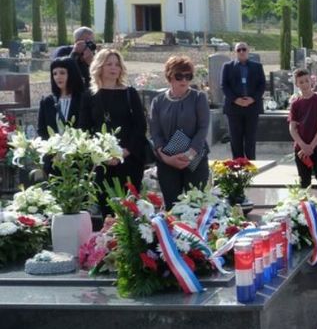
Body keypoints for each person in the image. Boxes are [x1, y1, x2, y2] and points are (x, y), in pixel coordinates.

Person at [79, 49, 147, 215]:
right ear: (99, 67)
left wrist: (124, 151)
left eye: (117, 64)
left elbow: (140, 126)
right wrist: (101, 154)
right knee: (107, 212)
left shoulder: (130, 93)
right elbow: (84, 129)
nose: (113, 68)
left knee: (130, 211)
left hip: (129, 160)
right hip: (102, 162)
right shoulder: (89, 96)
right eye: (109, 64)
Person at [149, 56, 210, 209]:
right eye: (179, 76)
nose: (184, 80)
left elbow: (203, 128)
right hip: (167, 160)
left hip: (195, 159)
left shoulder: (199, 97)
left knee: (196, 206)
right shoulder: (158, 101)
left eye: (188, 76)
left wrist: (190, 154)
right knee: (172, 208)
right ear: (169, 76)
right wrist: (166, 158)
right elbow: (155, 132)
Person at [221, 42, 266, 160]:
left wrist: (252, 99)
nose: (241, 52)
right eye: (238, 50)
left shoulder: (257, 67)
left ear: (248, 50)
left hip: (252, 107)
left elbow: (262, 85)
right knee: (235, 139)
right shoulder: (228, 66)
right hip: (234, 108)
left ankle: (251, 164)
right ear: (235, 52)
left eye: (244, 49)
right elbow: (224, 86)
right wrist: (236, 99)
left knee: (250, 139)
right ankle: (238, 164)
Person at [288, 68, 317, 189]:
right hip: (301, 149)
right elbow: (292, 127)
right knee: (304, 183)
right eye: (301, 82)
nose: (305, 84)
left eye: (306, 81)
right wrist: (303, 145)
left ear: (311, 81)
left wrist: (311, 146)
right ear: (297, 84)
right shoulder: (295, 104)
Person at [38, 57, 85, 140]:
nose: (58, 77)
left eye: (62, 73)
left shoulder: (83, 99)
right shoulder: (47, 101)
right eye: (55, 74)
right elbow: (42, 131)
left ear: (71, 74)